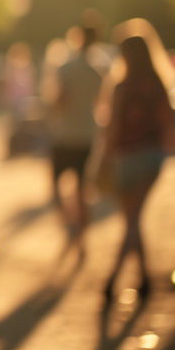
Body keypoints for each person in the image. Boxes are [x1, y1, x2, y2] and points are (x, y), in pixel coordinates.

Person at [96, 18, 175, 305]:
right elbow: (171, 120)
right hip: (152, 157)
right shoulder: (158, 84)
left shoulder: (121, 87)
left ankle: (112, 279)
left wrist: (103, 161)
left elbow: (112, 130)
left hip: (126, 158)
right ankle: (144, 279)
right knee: (134, 220)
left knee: (131, 219)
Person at [44, 21, 104, 248]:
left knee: (56, 188)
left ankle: (70, 226)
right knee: (82, 189)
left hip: (65, 135)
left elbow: (59, 102)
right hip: (87, 134)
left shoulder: (65, 68)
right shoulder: (97, 72)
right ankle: (82, 235)